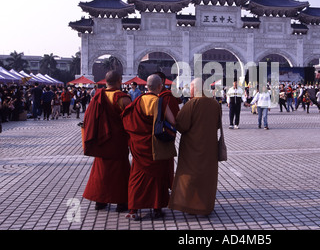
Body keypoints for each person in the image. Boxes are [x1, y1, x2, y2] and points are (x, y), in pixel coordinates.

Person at [122, 74, 176, 220]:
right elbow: (173, 121)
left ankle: (133, 210)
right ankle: (157, 208)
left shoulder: (138, 100)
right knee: (157, 177)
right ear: (160, 87)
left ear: (146, 86)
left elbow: (127, 121)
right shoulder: (160, 102)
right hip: (155, 146)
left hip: (139, 146)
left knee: (137, 177)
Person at [168, 78, 222, 216]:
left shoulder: (192, 103)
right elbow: (217, 124)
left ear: (196, 89)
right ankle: (206, 206)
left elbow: (182, 125)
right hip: (210, 148)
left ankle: (191, 205)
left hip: (192, 147)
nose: (190, 91)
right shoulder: (215, 104)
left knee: (190, 176)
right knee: (207, 177)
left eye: (191, 88)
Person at [82, 70, 131, 213]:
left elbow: (88, 119)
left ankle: (100, 201)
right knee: (120, 171)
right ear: (120, 80)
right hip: (118, 141)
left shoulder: (97, 97)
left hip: (102, 141)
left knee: (101, 171)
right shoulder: (123, 99)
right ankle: (121, 202)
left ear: (105, 81)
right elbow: (131, 122)